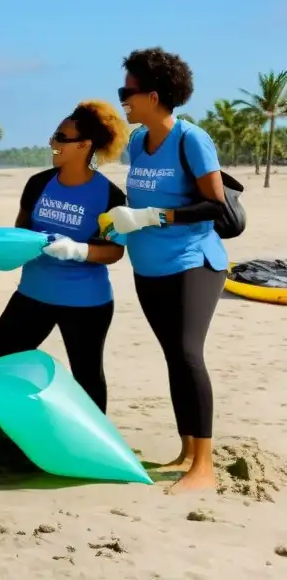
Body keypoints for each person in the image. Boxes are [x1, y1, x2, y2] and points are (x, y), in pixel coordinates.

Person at [101, 46, 229, 494]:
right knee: (174, 356)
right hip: (148, 265)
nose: (124, 100)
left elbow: (214, 205)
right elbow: (138, 200)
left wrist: (156, 217)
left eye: (128, 91)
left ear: (153, 96)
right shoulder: (138, 142)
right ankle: (187, 449)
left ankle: (205, 467)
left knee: (188, 353)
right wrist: (122, 225)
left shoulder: (190, 139)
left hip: (192, 262)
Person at [0, 100, 130, 412]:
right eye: (54, 136)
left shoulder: (110, 196)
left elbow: (115, 251)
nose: (52, 142)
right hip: (33, 295)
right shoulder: (38, 184)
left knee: (87, 377)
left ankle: (93, 450)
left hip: (87, 303)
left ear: (84, 145)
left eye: (61, 137)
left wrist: (76, 249)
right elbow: (22, 234)